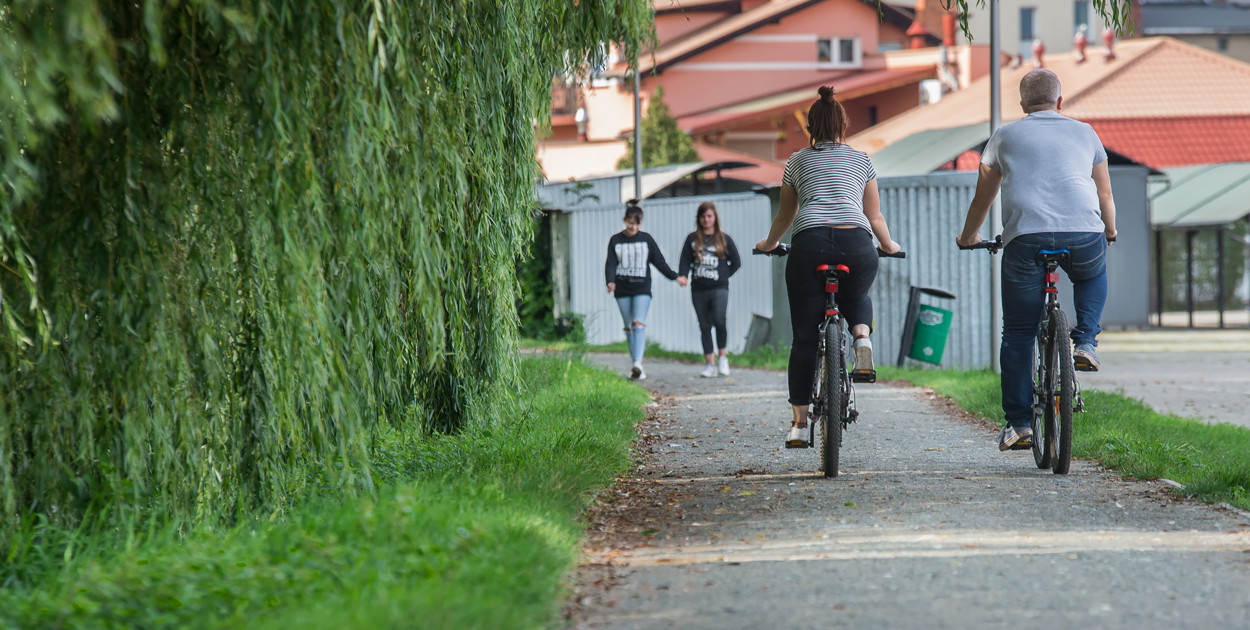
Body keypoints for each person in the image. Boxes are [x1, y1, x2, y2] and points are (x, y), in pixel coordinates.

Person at [956, 68, 1117, 452]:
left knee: (1017, 333)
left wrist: (968, 237)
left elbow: (984, 197)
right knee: (1092, 274)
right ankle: (1085, 342)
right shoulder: (1086, 132)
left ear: (1023, 104)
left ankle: (1018, 424)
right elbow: (1105, 194)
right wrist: (1108, 232)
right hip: (1084, 231)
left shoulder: (1004, 136)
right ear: (1060, 101)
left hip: (1025, 236)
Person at [755, 86, 901, 449]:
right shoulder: (862, 160)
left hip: (810, 243)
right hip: (856, 243)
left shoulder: (796, 161)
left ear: (811, 127)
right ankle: (862, 337)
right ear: (843, 124)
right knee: (857, 293)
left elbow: (786, 215)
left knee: (804, 338)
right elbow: (874, 215)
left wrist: (769, 244)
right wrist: (888, 244)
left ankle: (800, 425)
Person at [606, 201, 683, 380]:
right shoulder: (615, 240)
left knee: (637, 324)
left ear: (641, 223)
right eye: (630, 223)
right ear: (624, 220)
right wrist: (610, 281)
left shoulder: (646, 239)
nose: (633, 227)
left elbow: (659, 262)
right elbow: (610, 263)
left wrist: (675, 277)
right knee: (628, 328)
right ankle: (636, 367)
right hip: (622, 289)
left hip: (642, 288)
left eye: (637, 223)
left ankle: (637, 363)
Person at [678, 202, 742, 378]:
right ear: (699, 219)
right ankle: (709, 364)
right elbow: (684, 261)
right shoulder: (692, 239)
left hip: (719, 288)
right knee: (704, 324)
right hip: (698, 289)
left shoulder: (724, 238)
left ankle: (722, 358)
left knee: (719, 319)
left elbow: (736, 262)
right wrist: (683, 275)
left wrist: (724, 276)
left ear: (714, 218)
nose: (706, 220)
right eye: (703, 216)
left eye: (709, 216)